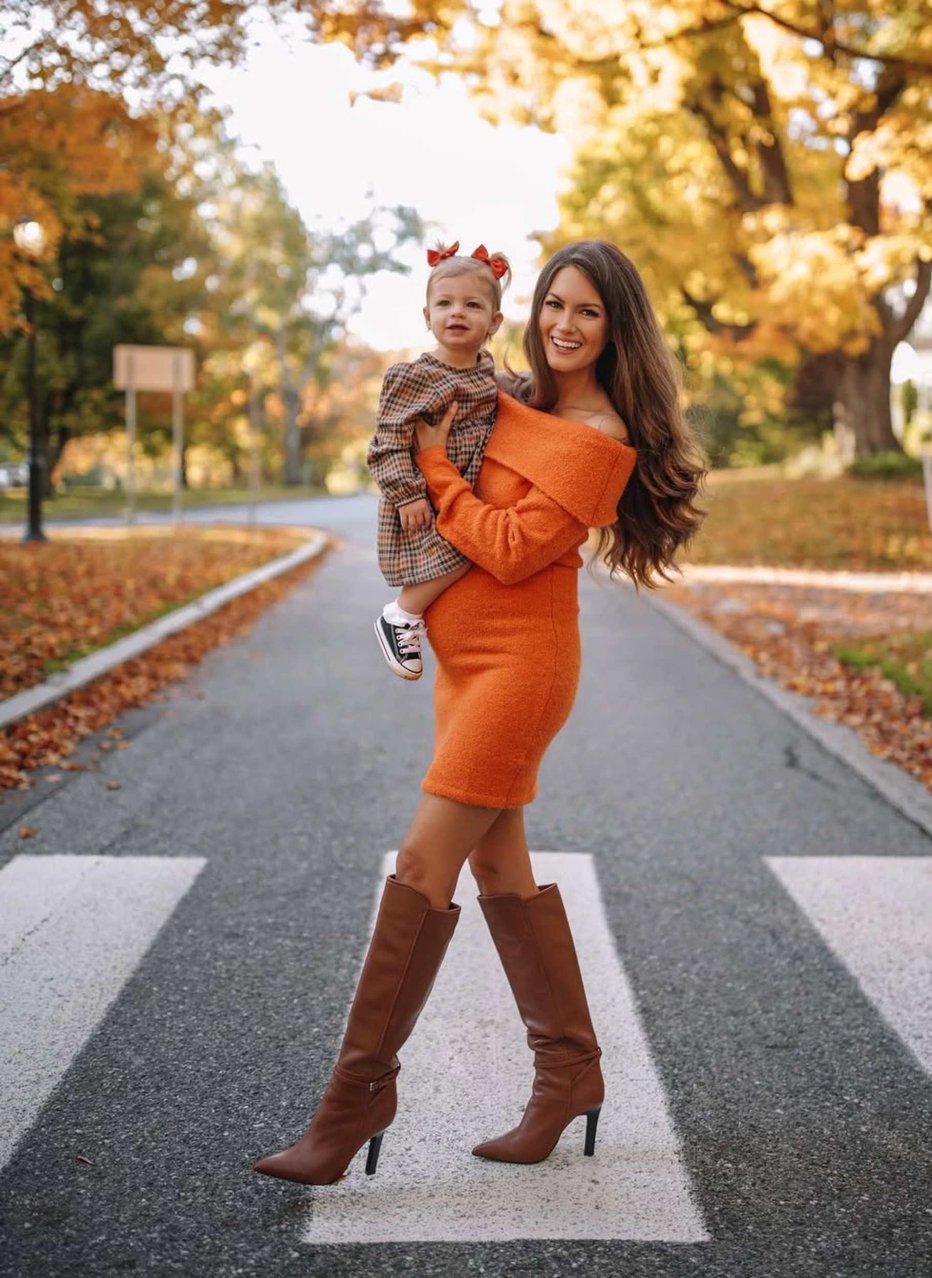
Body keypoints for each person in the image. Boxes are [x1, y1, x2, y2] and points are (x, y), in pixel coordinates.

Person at [254, 240, 707, 1186]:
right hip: (464, 666)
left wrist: (433, 470)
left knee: (424, 859)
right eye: (554, 306)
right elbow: (426, 413)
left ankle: (352, 1102)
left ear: (616, 327)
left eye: (587, 312)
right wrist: (418, 441)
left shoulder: (601, 436)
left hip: (523, 668)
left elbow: (505, 549)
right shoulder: (511, 400)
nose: (565, 326)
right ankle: (570, 1075)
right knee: (501, 866)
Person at [368, 241, 510, 680]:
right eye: (444, 304)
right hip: (423, 496)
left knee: (475, 553)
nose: (457, 313)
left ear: (494, 322)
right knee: (463, 554)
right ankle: (401, 616)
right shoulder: (414, 376)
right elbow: (387, 442)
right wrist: (408, 494)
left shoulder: (486, 372)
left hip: (461, 489)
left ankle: (430, 623)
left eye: (472, 305)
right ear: (427, 317)